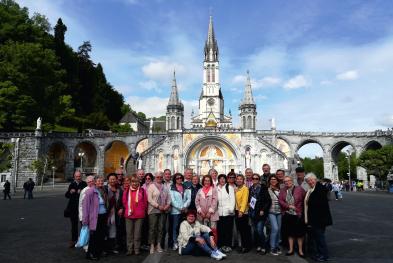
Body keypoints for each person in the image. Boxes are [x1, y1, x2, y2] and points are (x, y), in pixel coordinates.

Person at [304, 173, 333, 262]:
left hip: (319, 218)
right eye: (308, 181)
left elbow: (319, 205)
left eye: (312, 179)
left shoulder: (320, 188)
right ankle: (320, 253)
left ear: (315, 179)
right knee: (317, 237)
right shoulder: (311, 189)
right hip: (315, 218)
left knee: (320, 237)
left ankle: (324, 255)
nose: (310, 182)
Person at [279, 175, 306, 257]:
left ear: (292, 181)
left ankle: (300, 250)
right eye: (285, 181)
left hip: (298, 214)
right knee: (290, 233)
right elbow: (280, 200)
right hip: (288, 214)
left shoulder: (299, 189)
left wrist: (300, 209)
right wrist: (288, 206)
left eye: (288, 180)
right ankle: (291, 249)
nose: (287, 182)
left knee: (299, 233)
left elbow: (305, 199)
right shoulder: (283, 190)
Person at [82, 176, 108, 260]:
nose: (101, 182)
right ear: (95, 182)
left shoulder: (103, 190)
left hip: (103, 216)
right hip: (95, 218)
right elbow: (85, 207)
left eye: (102, 181)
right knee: (93, 237)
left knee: (100, 235)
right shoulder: (90, 191)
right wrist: (85, 221)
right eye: (98, 181)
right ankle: (90, 254)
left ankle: (97, 252)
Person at [122, 175, 148, 255]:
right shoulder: (126, 191)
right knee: (129, 233)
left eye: (136, 181)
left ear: (139, 182)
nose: (135, 183)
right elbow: (124, 202)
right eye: (133, 181)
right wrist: (130, 209)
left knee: (137, 234)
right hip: (129, 215)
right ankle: (129, 249)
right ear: (130, 182)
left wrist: (141, 210)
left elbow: (145, 202)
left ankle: (137, 249)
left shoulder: (142, 191)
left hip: (139, 215)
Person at [147, 171, 171, 254]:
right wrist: (158, 206)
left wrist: (167, 205)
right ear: (155, 177)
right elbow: (149, 199)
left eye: (161, 177)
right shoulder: (151, 186)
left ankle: (159, 244)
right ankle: (152, 245)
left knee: (161, 228)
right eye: (158, 177)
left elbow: (169, 198)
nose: (159, 178)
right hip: (153, 210)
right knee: (153, 228)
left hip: (163, 210)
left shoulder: (165, 187)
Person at [250, 173, 271, 254]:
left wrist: (263, 210)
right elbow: (250, 199)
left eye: (256, 178)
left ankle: (264, 246)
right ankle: (258, 245)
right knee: (255, 230)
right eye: (253, 178)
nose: (255, 180)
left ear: (259, 180)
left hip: (260, 212)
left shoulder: (263, 188)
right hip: (253, 212)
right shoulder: (251, 188)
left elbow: (268, 200)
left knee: (259, 230)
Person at [169, 173, 191, 250]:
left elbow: (189, 199)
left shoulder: (186, 187)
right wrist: (180, 208)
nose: (179, 179)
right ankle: (175, 242)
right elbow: (172, 200)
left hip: (184, 211)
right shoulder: (171, 188)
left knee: (184, 227)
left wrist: (184, 207)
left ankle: (183, 242)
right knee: (175, 227)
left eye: (180, 178)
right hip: (175, 211)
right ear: (175, 179)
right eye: (177, 178)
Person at [65, 171, 87, 248]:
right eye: (77, 176)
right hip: (73, 208)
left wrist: (82, 192)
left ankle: (83, 239)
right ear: (74, 177)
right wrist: (70, 191)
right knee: (74, 225)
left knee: (83, 224)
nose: (78, 178)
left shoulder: (84, 184)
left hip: (82, 207)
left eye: (79, 176)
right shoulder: (72, 184)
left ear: (81, 176)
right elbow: (67, 195)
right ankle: (73, 240)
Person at [105, 173, 125, 254]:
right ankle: (105, 248)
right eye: (111, 179)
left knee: (114, 230)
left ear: (116, 180)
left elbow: (123, 201)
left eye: (114, 179)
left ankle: (113, 246)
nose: (113, 180)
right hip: (107, 212)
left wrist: (122, 208)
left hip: (116, 213)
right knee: (106, 229)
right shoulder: (105, 189)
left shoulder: (119, 189)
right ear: (108, 180)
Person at [195, 175, 219, 241]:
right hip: (201, 214)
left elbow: (215, 201)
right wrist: (200, 211)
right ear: (203, 181)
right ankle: (203, 245)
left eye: (208, 180)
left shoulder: (214, 190)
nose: (207, 182)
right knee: (202, 230)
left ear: (210, 181)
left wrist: (209, 212)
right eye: (205, 180)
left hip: (212, 214)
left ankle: (213, 245)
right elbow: (196, 201)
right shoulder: (200, 190)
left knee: (213, 230)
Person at [216, 174, 235, 253]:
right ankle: (221, 245)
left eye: (223, 179)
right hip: (219, 212)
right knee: (220, 230)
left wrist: (231, 209)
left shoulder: (229, 188)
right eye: (220, 179)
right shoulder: (216, 188)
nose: (222, 180)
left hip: (228, 213)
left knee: (228, 230)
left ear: (226, 180)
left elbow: (232, 199)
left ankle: (228, 245)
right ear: (219, 180)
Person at [235, 174, 252, 253]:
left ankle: (246, 246)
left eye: (240, 179)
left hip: (243, 212)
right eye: (237, 179)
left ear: (243, 180)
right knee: (240, 229)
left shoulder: (245, 188)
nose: (239, 180)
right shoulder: (237, 189)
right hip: (237, 211)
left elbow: (245, 200)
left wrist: (241, 211)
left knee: (245, 230)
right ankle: (242, 245)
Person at [267, 175, 282, 256]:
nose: (273, 180)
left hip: (279, 211)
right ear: (269, 181)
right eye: (271, 179)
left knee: (279, 229)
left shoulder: (280, 189)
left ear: (277, 181)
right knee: (275, 229)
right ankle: (272, 247)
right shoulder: (267, 189)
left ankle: (277, 246)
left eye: (275, 179)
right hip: (271, 211)